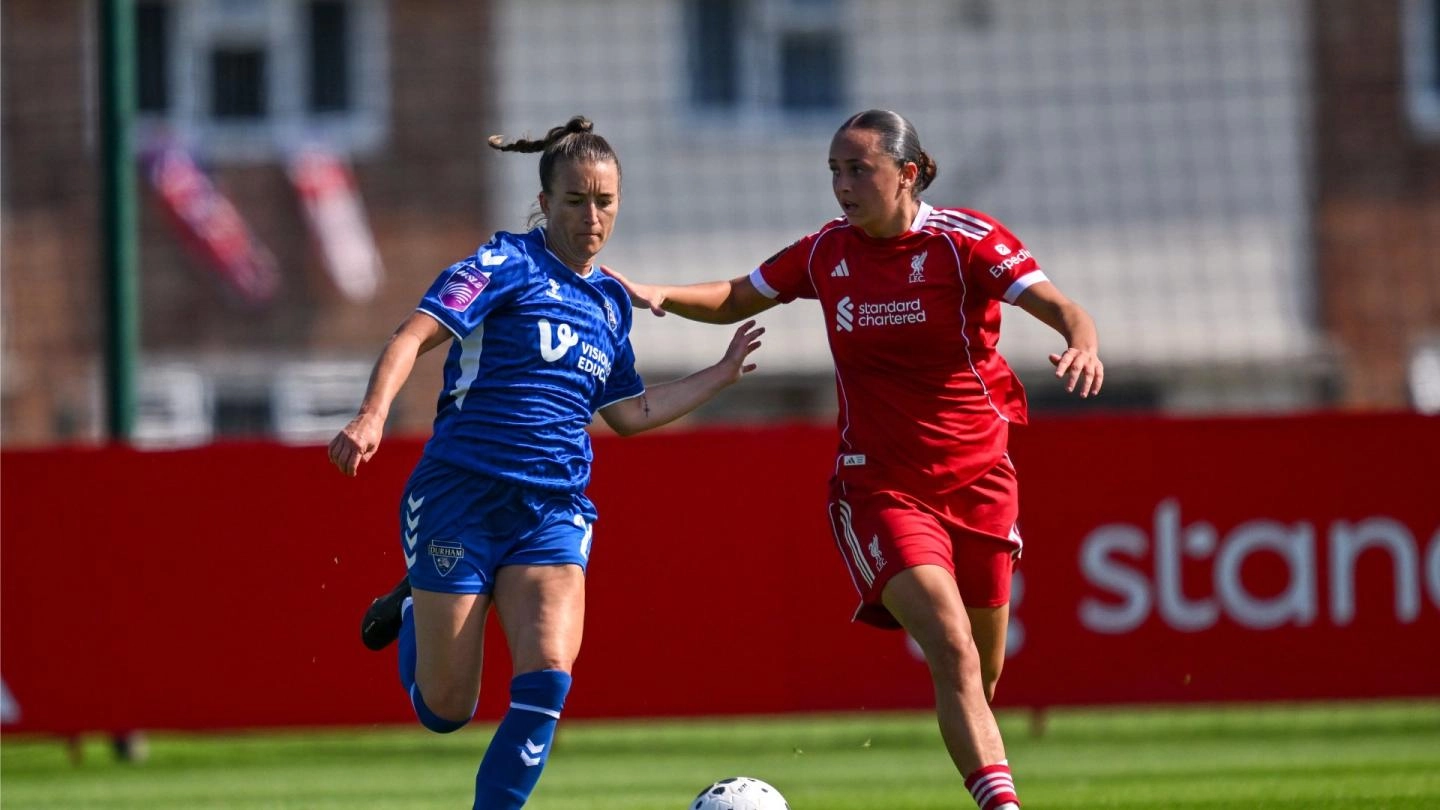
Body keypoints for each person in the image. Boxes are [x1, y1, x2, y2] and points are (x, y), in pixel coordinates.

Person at [604, 109, 1103, 810]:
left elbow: (1062, 306)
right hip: (881, 489)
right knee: (954, 650)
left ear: (908, 173)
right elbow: (738, 295)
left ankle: (985, 776)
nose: (841, 184)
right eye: (834, 170)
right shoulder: (825, 252)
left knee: (980, 677)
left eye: (858, 169)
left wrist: (1082, 343)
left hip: (981, 482)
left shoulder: (966, 242)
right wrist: (663, 296)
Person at [328, 115, 763, 810]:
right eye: (575, 201)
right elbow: (413, 335)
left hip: (552, 511)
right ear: (544, 203)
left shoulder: (611, 306)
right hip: (460, 498)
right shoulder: (504, 265)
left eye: (606, 202)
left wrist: (720, 372)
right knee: (447, 709)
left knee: (550, 675)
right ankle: (417, 605)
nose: (592, 218)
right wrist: (372, 415)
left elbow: (629, 413)